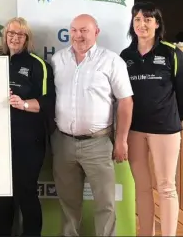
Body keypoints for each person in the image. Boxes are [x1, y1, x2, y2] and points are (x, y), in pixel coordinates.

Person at [50, 14, 134, 236]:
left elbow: (125, 101)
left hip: (98, 143)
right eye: (74, 30)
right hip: (63, 142)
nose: (78, 35)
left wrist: (121, 140)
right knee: (68, 204)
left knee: (105, 204)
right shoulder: (58, 60)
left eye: (84, 30)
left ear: (96, 32)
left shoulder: (112, 60)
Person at [119, 2, 183, 236]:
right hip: (135, 130)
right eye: (137, 19)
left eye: (147, 19)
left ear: (157, 24)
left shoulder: (171, 53)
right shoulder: (125, 56)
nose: (142, 24)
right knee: (142, 188)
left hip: (165, 129)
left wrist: (179, 122)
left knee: (166, 188)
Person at [0, 17, 55, 237]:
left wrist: (24, 104)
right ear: (5, 36)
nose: (15, 38)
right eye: (11, 33)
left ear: (27, 38)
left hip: (29, 141)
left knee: (26, 192)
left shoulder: (39, 65)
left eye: (20, 34)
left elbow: (48, 102)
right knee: (0, 195)